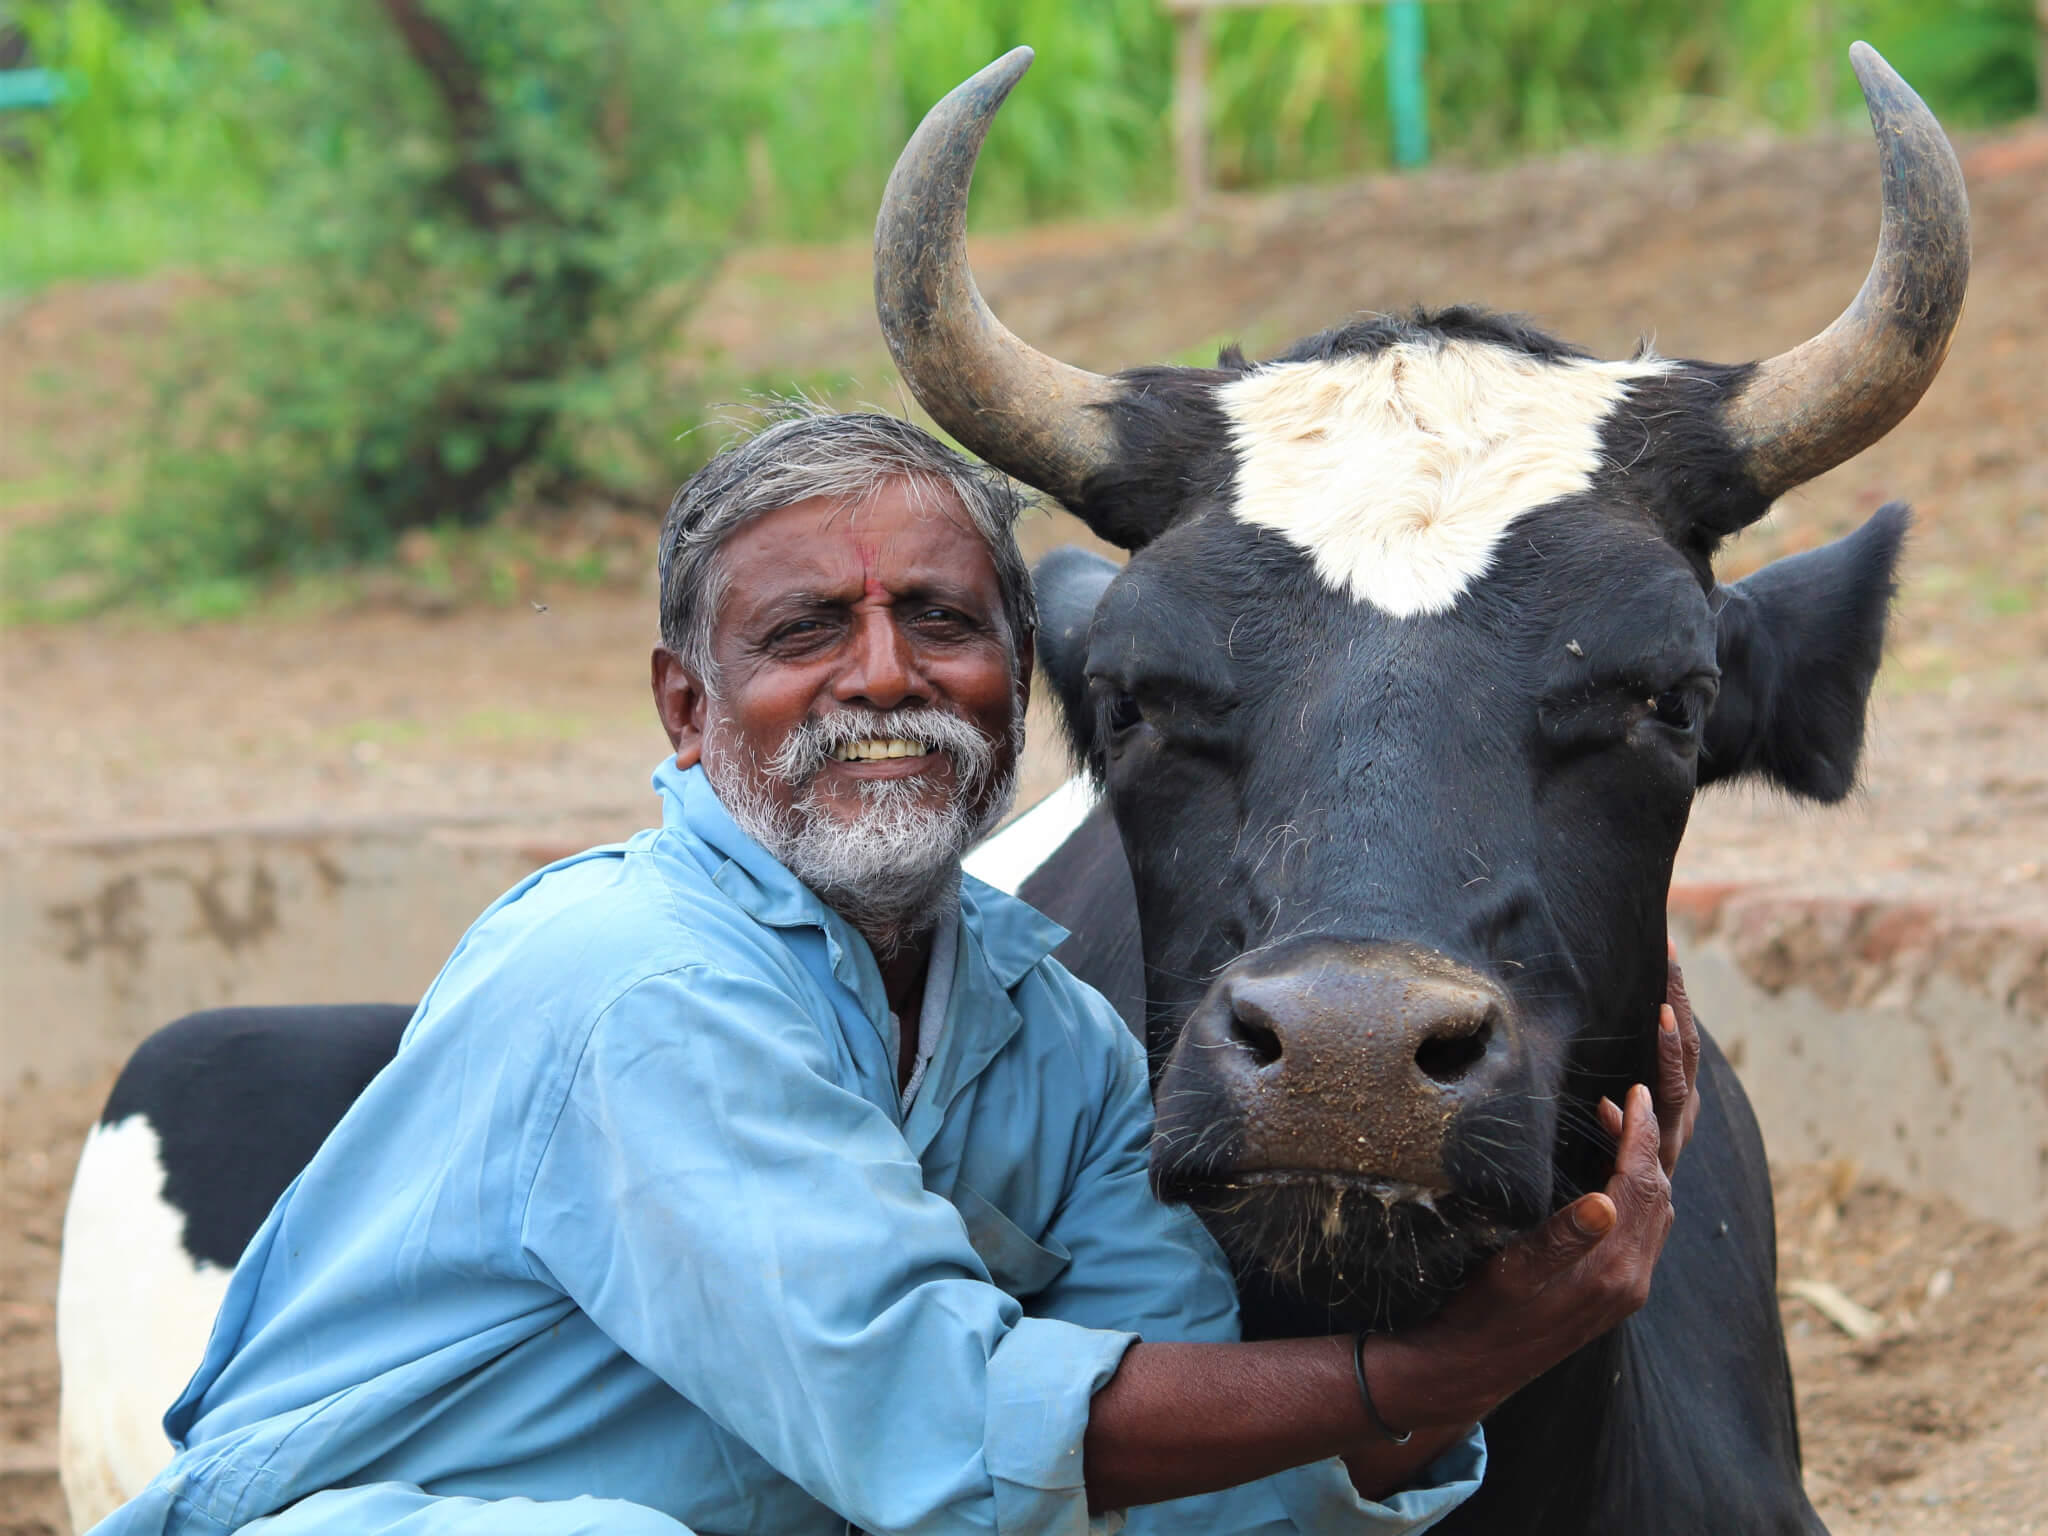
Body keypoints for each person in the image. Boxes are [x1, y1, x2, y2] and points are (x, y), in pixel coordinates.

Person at [94, 411, 1697, 1536]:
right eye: (806, 632)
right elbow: (938, 1430)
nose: (881, 675)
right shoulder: (637, 981)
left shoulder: (1051, 1031)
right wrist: (1443, 1365)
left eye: (938, 620)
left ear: (1021, 692)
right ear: (685, 706)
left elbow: (1190, 1457)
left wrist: (1510, 1335)